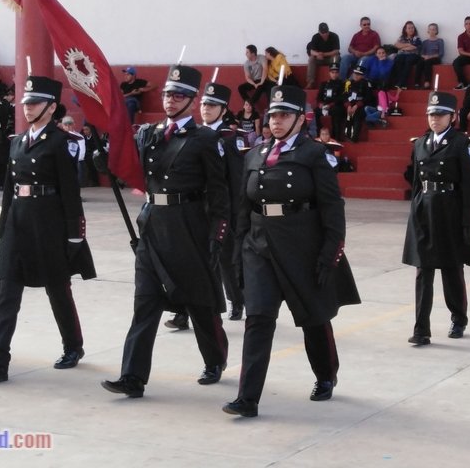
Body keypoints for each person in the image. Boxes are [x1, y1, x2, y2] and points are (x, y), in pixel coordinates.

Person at [222, 84, 360, 418]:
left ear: (301, 119)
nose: (277, 121)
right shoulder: (254, 154)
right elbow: (244, 208)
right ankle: (248, 397)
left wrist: (330, 253)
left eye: (284, 115)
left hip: (301, 245)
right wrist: (239, 252)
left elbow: (332, 208)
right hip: (259, 245)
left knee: (313, 318)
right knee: (258, 318)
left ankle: (326, 375)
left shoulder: (315, 155)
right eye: (273, 115)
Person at [101, 65, 230, 398]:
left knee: (200, 302)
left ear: (192, 99)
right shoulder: (151, 133)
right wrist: (109, 150)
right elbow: (129, 170)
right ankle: (132, 376)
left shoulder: (205, 139)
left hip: (188, 227)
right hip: (153, 225)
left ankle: (215, 359)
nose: (170, 100)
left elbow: (219, 193)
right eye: (167, 94)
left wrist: (218, 234)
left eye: (178, 95)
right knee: (145, 302)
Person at [0, 76, 95, 382]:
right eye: (26, 103)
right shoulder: (17, 141)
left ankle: (73, 346)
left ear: (51, 107)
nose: (28, 108)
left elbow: (70, 192)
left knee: (57, 289)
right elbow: (8, 189)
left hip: (48, 223)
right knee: (7, 293)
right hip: (18, 222)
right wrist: (3, 228)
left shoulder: (62, 142)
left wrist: (75, 234)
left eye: (35, 103)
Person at [402, 91, 470, 346]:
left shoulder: (462, 144)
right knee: (422, 272)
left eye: (440, 115)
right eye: (431, 114)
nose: (435, 119)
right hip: (424, 211)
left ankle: (458, 318)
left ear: (453, 116)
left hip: (450, 212)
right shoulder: (419, 144)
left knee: (451, 270)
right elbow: (416, 183)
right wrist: (415, 211)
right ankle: (421, 329)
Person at [199, 82, 245, 321]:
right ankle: (190, 310)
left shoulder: (229, 138)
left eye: (212, 105)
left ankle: (236, 301)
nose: (206, 108)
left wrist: (233, 214)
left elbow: (235, 179)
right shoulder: (194, 135)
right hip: (197, 208)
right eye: (204, 103)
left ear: (224, 110)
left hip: (222, 208)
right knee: (197, 259)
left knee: (225, 259)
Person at [339, 17, 381, 81]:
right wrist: (355, 52)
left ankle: (351, 81)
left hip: (368, 56)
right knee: (345, 57)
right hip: (356, 55)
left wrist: (364, 54)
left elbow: (376, 48)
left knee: (363, 60)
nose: (367, 26)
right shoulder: (356, 35)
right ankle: (341, 81)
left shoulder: (374, 34)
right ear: (360, 25)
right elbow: (350, 48)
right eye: (364, 24)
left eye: (368, 24)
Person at [314, 66, 346, 141]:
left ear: (338, 74)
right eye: (332, 72)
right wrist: (321, 104)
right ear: (329, 73)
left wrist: (330, 105)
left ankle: (336, 137)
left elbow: (341, 97)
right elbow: (319, 96)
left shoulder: (342, 84)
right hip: (324, 105)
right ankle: (319, 134)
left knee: (337, 112)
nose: (334, 74)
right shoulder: (324, 84)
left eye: (336, 73)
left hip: (336, 105)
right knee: (315, 112)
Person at [306, 22, 341, 89]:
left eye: (326, 32)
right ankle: (310, 82)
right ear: (319, 32)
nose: (325, 34)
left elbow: (336, 51)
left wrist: (324, 54)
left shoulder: (334, 36)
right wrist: (317, 54)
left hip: (330, 58)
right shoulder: (315, 37)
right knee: (311, 59)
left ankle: (335, 80)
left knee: (335, 58)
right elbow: (311, 51)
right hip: (320, 59)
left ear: (328, 30)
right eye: (323, 33)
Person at [389, 21, 422, 90]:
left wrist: (402, 47)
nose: (411, 29)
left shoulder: (417, 38)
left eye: (412, 28)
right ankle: (400, 83)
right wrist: (408, 44)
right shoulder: (402, 37)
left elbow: (413, 47)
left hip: (413, 55)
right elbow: (396, 45)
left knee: (408, 60)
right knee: (398, 59)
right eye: (409, 28)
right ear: (405, 30)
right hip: (402, 55)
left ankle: (401, 83)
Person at [416, 23, 444, 90]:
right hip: (426, 58)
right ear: (428, 31)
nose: (432, 31)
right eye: (430, 29)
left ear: (436, 31)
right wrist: (425, 56)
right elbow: (421, 53)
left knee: (428, 62)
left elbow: (441, 53)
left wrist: (429, 57)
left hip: (436, 59)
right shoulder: (425, 42)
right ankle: (416, 83)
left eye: (434, 29)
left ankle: (427, 83)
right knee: (419, 63)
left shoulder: (440, 41)